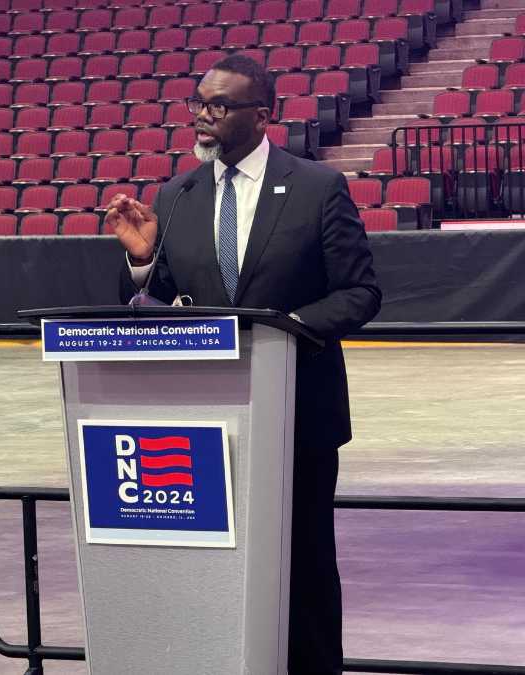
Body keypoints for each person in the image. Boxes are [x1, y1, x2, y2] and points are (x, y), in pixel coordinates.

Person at [105, 54, 381, 674]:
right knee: (216, 564)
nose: (204, 115)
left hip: (297, 418)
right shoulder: (175, 196)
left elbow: (360, 294)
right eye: (200, 102)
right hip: (204, 424)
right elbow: (159, 302)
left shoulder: (316, 188)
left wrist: (286, 331)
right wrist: (144, 264)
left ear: (264, 114)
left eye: (220, 105)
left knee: (304, 565)